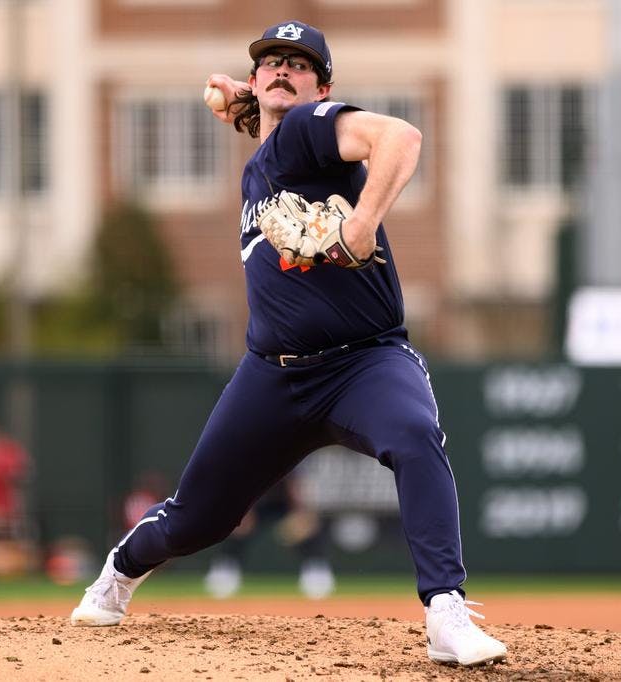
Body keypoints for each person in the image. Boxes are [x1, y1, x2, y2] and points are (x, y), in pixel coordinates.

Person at [71, 19, 507, 667]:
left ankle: (445, 611)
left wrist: (361, 223)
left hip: (364, 362)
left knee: (414, 437)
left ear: (322, 88)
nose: (282, 69)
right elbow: (277, 133)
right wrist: (256, 108)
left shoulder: (310, 129)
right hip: (270, 377)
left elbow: (400, 137)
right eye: (270, 61)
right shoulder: (265, 162)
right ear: (252, 81)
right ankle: (119, 573)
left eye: (298, 64)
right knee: (197, 519)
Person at [203, 472, 335, 600]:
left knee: (306, 526)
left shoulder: (290, 459)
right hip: (256, 501)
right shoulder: (249, 459)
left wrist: (300, 514)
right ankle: (226, 570)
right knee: (236, 525)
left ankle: (316, 570)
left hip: (286, 502)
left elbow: (296, 485)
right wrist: (242, 510)